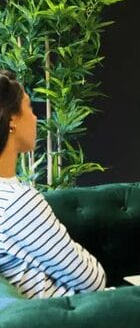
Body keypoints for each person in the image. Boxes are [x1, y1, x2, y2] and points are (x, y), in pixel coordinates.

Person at [0, 70, 106, 299]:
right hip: (79, 315)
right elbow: (94, 280)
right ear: (12, 119)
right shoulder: (17, 202)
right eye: (29, 108)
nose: (35, 118)